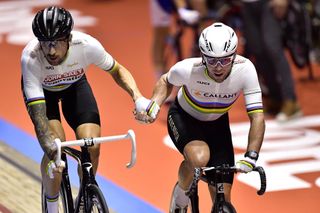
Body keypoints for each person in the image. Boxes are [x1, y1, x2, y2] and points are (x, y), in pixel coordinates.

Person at [21, 6, 149, 213]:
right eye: (45, 43)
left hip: (75, 86)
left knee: (93, 145)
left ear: (68, 38)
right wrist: (51, 148)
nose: (50, 50)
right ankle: (52, 205)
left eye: (56, 42)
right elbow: (39, 119)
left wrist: (138, 96)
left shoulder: (87, 45)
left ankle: (84, 200)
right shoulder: (31, 57)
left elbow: (117, 70)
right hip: (44, 96)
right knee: (57, 149)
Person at [135, 22, 265, 212]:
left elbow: (257, 117)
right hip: (185, 118)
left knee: (224, 200)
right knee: (199, 158)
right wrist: (154, 103)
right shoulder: (188, 69)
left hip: (218, 124)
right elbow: (165, 80)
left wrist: (251, 156)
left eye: (225, 60)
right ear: (202, 57)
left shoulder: (246, 70)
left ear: (235, 56)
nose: (218, 67)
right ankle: (180, 197)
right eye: (212, 61)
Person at [241, 0, 302, 122]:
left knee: (273, 48)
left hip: (268, 3)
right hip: (247, 4)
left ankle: (291, 100)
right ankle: (276, 98)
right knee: (258, 51)